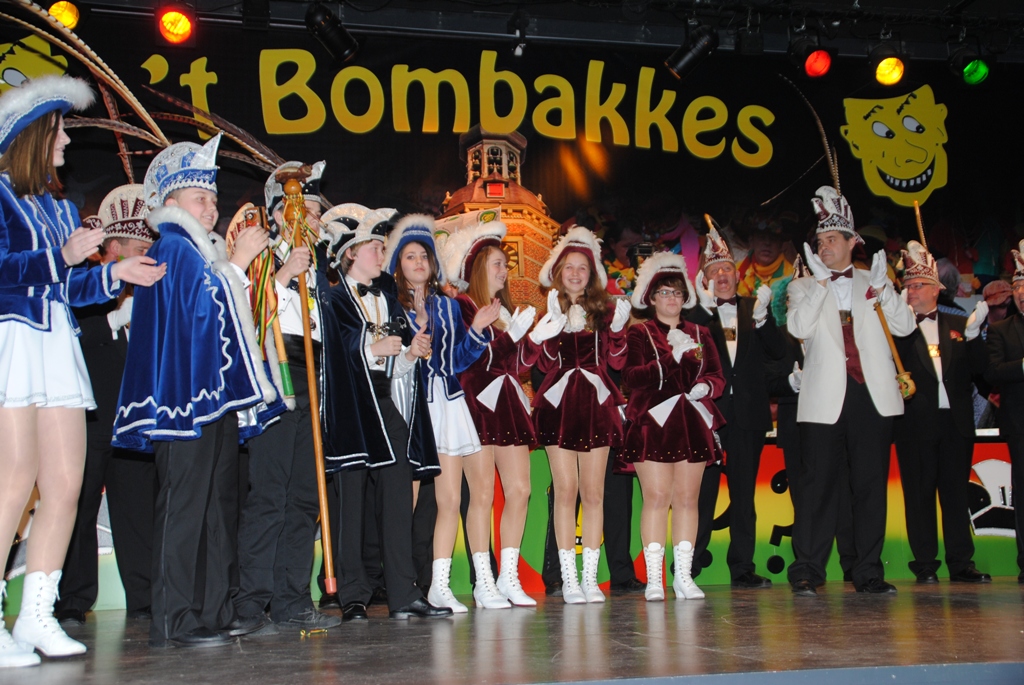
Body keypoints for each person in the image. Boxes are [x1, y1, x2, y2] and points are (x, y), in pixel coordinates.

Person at [0, 76, 164, 668]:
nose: (67, 140)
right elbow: (8, 270)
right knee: (14, 478)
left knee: (67, 483)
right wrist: (62, 256)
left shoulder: (59, 207)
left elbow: (68, 288)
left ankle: (35, 615)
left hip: (56, 344)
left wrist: (114, 275)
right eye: (59, 130)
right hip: (14, 340)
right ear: (30, 136)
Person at [114, 133, 283, 648]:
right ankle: (174, 617)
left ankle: (213, 610)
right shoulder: (174, 246)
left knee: (217, 507)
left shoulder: (199, 250)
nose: (211, 207)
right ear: (171, 202)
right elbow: (202, 309)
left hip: (211, 399)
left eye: (213, 197)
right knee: (186, 505)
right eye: (199, 198)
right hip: (183, 401)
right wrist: (237, 264)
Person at [785, 186, 916, 596]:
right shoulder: (804, 286)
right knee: (817, 486)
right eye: (819, 241)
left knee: (870, 486)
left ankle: (868, 571)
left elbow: (904, 327)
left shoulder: (873, 281)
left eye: (831, 240)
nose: (823, 247)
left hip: (870, 395)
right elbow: (798, 327)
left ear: (851, 242)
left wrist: (885, 290)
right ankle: (808, 569)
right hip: (824, 396)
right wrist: (821, 285)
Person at [322, 208, 452, 621]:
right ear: (350, 253)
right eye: (374, 247)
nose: (382, 254)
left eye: (382, 247)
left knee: (398, 495)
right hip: (350, 407)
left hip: (384, 403)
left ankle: (403, 592)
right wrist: (368, 349)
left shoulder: (387, 301)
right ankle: (353, 594)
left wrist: (410, 353)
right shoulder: (332, 300)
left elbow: (395, 368)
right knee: (352, 501)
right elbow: (329, 356)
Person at [233, 161, 342, 632]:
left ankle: (292, 599)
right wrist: (281, 276)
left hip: (314, 378)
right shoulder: (259, 256)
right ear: (281, 214)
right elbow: (243, 318)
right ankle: (249, 604)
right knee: (270, 494)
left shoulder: (318, 270)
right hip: (276, 375)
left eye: (316, 212)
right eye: (306, 211)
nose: (314, 220)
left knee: (304, 497)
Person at [384, 214, 506, 611]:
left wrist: (477, 330)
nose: (419, 263)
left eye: (424, 256)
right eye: (410, 257)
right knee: (438, 500)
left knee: (470, 494)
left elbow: (455, 362)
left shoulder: (449, 306)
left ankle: (469, 583)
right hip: (415, 407)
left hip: (451, 403)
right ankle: (418, 584)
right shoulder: (390, 305)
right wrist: (414, 335)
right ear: (398, 264)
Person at [55, 185, 157, 627]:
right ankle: (73, 598)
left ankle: (146, 597)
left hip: (133, 416)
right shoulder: (86, 284)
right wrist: (116, 318)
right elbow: (73, 333)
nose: (147, 257)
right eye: (140, 250)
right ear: (113, 249)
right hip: (91, 413)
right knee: (77, 504)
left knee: (137, 507)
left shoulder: (152, 286)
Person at [443, 219, 541, 608]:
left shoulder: (504, 312)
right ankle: (483, 581)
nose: (504, 271)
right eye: (497, 263)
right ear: (478, 267)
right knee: (481, 493)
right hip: (477, 406)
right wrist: (510, 339)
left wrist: (535, 340)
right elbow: (467, 365)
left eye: (506, 264)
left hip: (507, 406)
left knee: (520, 490)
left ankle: (508, 577)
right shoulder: (461, 307)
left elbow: (516, 366)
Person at [533, 226, 631, 604]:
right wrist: (547, 332)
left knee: (593, 493)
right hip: (558, 406)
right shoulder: (548, 311)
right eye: (569, 267)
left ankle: (590, 578)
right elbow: (542, 367)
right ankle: (569, 578)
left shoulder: (606, 313)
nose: (575, 273)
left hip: (596, 405)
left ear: (592, 275)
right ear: (559, 272)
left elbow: (617, 363)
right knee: (565, 491)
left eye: (582, 268)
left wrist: (618, 331)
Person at [621, 251, 726, 601]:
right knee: (656, 497)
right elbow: (631, 377)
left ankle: (683, 576)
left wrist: (706, 387)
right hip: (652, 423)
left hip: (691, 421)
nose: (671, 298)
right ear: (651, 298)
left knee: (687, 499)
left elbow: (717, 375)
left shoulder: (701, 332)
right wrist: (670, 359)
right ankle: (654, 579)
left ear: (686, 297)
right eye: (664, 292)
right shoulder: (639, 333)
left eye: (677, 292)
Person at [687, 223, 785, 588]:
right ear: (705, 280)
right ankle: (690, 566)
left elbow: (778, 352)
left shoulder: (754, 309)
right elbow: (684, 351)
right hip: (708, 417)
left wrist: (764, 320)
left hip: (748, 415)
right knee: (702, 494)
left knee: (744, 496)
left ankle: (742, 568)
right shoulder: (697, 315)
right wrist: (702, 310)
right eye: (714, 271)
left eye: (727, 268)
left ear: (737, 274)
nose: (723, 276)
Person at [893, 241, 991, 585]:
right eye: (907, 285)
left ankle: (962, 563)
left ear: (936, 289)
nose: (911, 291)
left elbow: (983, 373)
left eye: (918, 285)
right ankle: (924, 564)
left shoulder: (959, 324)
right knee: (919, 495)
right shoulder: (898, 331)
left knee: (955, 495)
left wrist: (975, 337)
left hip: (955, 424)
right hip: (914, 424)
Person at [983, 241, 1024, 584]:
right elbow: (992, 372)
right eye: (1019, 288)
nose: (1022, 294)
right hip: (1020, 424)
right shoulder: (1001, 330)